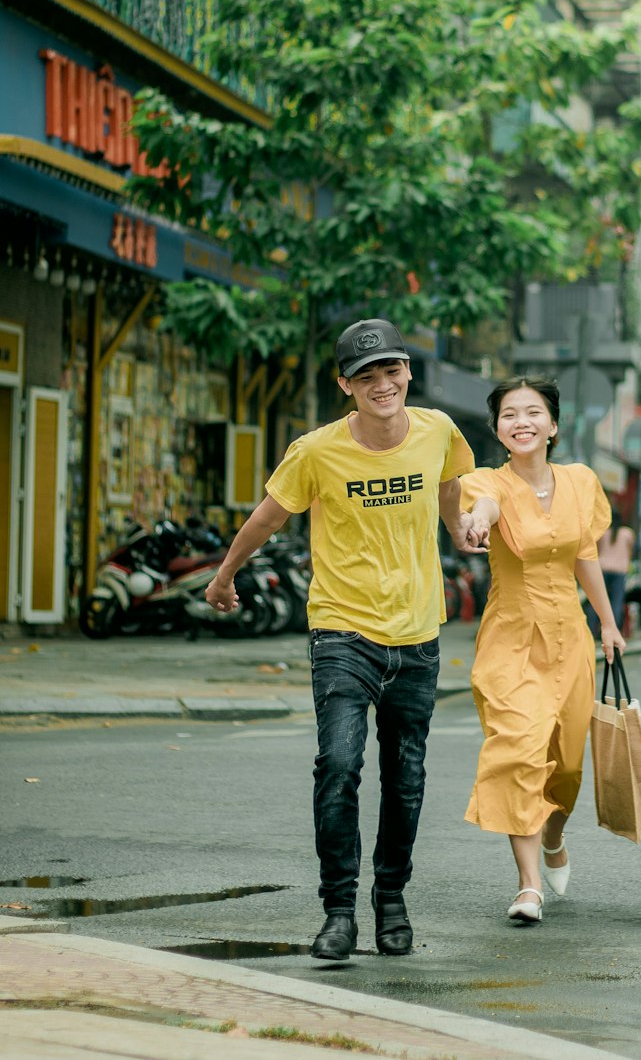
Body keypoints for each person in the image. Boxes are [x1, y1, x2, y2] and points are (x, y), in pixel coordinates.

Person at [205, 318, 479, 964]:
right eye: (366, 375)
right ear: (345, 385)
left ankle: (391, 900)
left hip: (417, 631)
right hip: (342, 628)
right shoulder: (316, 451)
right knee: (338, 765)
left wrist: (461, 529)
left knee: (405, 777)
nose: (382, 384)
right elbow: (269, 515)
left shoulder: (438, 430)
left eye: (391, 370)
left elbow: (448, 486)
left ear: (408, 371)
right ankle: (337, 910)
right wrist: (223, 575)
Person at [462, 376, 626, 926]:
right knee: (519, 749)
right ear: (498, 429)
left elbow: (584, 554)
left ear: (553, 426)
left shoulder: (580, 482)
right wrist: (478, 522)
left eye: (533, 413)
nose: (522, 422)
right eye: (510, 414)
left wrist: (608, 623)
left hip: (570, 637)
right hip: (510, 637)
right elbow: (482, 508)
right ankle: (527, 885)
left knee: (569, 764)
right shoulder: (488, 482)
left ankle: (554, 833)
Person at [585, 506, 633, 637]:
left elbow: (597, 551)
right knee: (616, 601)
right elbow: (629, 552)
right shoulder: (627, 533)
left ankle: (592, 631)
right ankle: (613, 631)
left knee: (596, 600)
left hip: (602, 568)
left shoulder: (603, 533)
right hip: (619, 570)